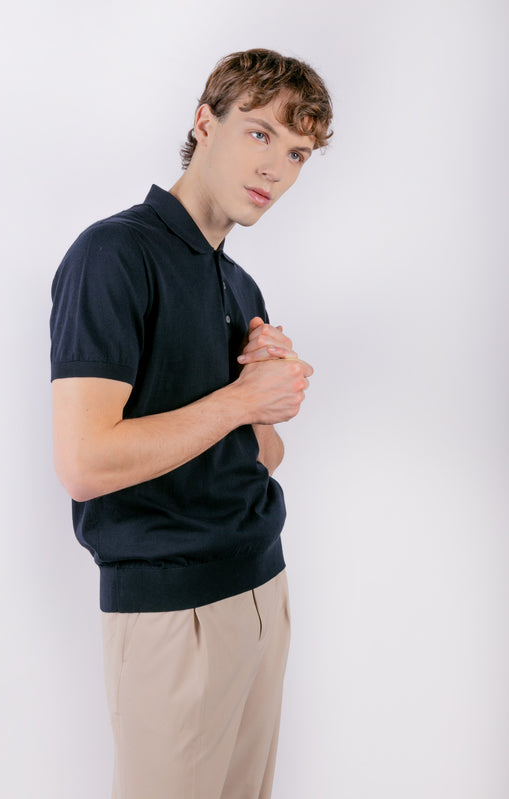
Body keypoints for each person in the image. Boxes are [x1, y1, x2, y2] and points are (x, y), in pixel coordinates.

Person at [50, 48, 333, 799]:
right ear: (205, 122)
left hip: (262, 586)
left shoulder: (239, 283)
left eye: (297, 153)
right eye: (260, 133)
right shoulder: (114, 254)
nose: (275, 168)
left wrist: (266, 394)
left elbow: (260, 456)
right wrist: (240, 400)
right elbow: (83, 462)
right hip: (172, 611)